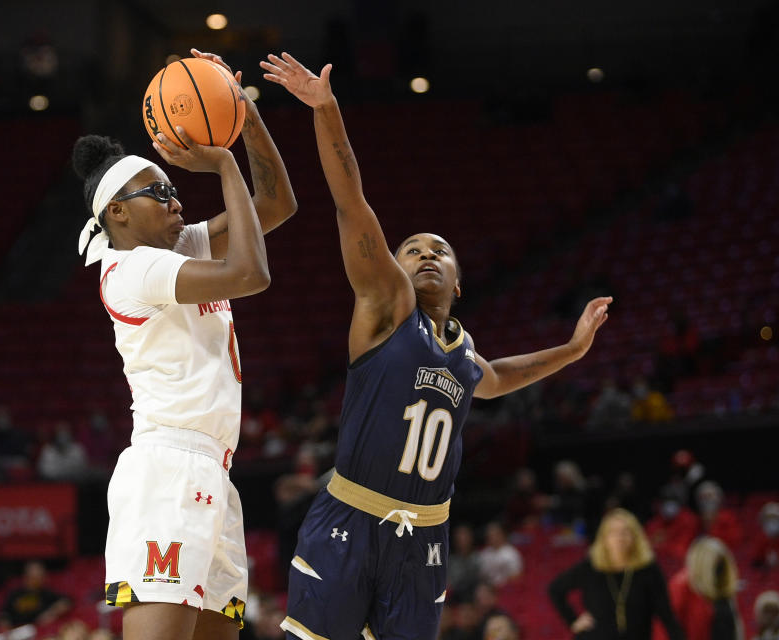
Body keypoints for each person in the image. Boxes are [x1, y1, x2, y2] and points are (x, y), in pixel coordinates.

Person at [261, 51, 612, 640]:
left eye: (439, 249)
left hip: (424, 537)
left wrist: (573, 350)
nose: (425, 254)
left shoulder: (461, 352)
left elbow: (497, 375)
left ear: (458, 279)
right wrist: (326, 111)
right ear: (392, 267)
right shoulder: (385, 308)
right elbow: (352, 204)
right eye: (412, 248)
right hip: (350, 519)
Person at [73, 49, 296, 640]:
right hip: (167, 470)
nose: (176, 201)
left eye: (174, 189)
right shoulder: (132, 269)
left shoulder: (177, 248)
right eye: (158, 193)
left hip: (214, 471)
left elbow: (276, 205)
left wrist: (243, 113)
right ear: (117, 212)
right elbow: (253, 275)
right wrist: (224, 166)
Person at [548, 508, 684, 639]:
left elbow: (667, 616)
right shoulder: (590, 567)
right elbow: (555, 589)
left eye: (625, 532)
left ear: (635, 537)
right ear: (603, 538)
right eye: (613, 532)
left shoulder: (648, 570)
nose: (619, 538)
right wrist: (573, 620)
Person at [660, 537, 744, 640]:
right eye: (715, 567)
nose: (718, 571)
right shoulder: (683, 588)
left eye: (720, 567)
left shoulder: (723, 591)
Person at [0, 561, 72, 628]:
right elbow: (4, 614)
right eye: (32, 577)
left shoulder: (47, 594)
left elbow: (67, 601)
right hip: (17, 632)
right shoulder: (15, 594)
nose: (35, 580)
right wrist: (5, 623)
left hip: (39, 631)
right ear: (25, 576)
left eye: (38, 576)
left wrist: (52, 612)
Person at [645, 487, 700, 562]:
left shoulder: (688, 520)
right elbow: (646, 548)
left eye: (673, 500)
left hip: (682, 564)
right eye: (666, 500)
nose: (669, 505)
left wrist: (660, 546)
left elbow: (681, 550)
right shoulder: (654, 522)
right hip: (658, 564)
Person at [694, 481, 743, 549]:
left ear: (718, 498)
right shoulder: (694, 520)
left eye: (710, 496)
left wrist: (712, 524)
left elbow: (735, 542)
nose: (707, 500)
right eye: (703, 497)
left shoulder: (729, 518)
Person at [478, 522, 523, 587]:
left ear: (502, 534)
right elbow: (481, 575)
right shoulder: (485, 553)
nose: (492, 537)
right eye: (490, 535)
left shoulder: (511, 553)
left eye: (495, 534)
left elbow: (516, 576)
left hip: (506, 589)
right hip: (489, 588)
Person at [752, 502, 779, 569]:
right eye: (768, 519)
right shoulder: (759, 540)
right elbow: (754, 562)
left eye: (775, 518)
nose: (772, 522)